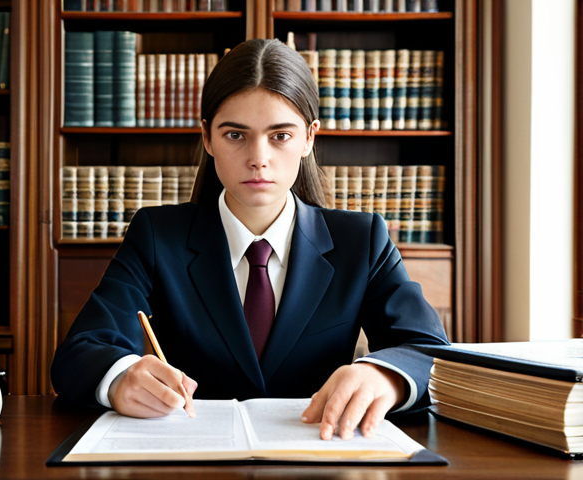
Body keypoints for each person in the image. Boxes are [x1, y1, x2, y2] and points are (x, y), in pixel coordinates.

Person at [51, 38, 449, 441]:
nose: (259, 157)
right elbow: (80, 351)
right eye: (236, 135)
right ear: (207, 137)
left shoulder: (361, 241)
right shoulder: (157, 235)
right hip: (193, 454)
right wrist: (119, 378)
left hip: (319, 454)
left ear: (309, 138)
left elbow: (430, 350)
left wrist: (383, 376)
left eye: (280, 135)